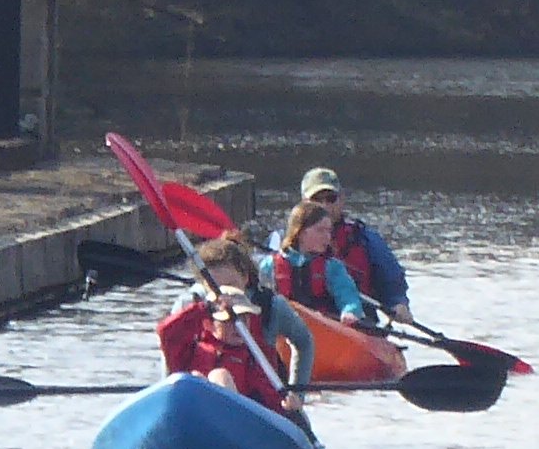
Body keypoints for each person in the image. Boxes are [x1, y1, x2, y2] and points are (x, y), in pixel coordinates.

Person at [157, 236, 308, 415]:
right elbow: (166, 334)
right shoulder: (192, 324)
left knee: (220, 377)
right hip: (194, 411)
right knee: (198, 379)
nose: (238, 325)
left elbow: (271, 395)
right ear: (213, 323)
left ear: (244, 278)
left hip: (242, 419)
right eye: (227, 321)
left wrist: (292, 398)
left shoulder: (254, 356)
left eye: (244, 318)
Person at [269, 169, 412, 321]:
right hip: (293, 323)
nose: (324, 205)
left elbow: (392, 279)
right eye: (317, 199)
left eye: (331, 198)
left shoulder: (364, 239)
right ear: (304, 203)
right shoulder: (280, 245)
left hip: (354, 325)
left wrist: (398, 303)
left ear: (341, 200)